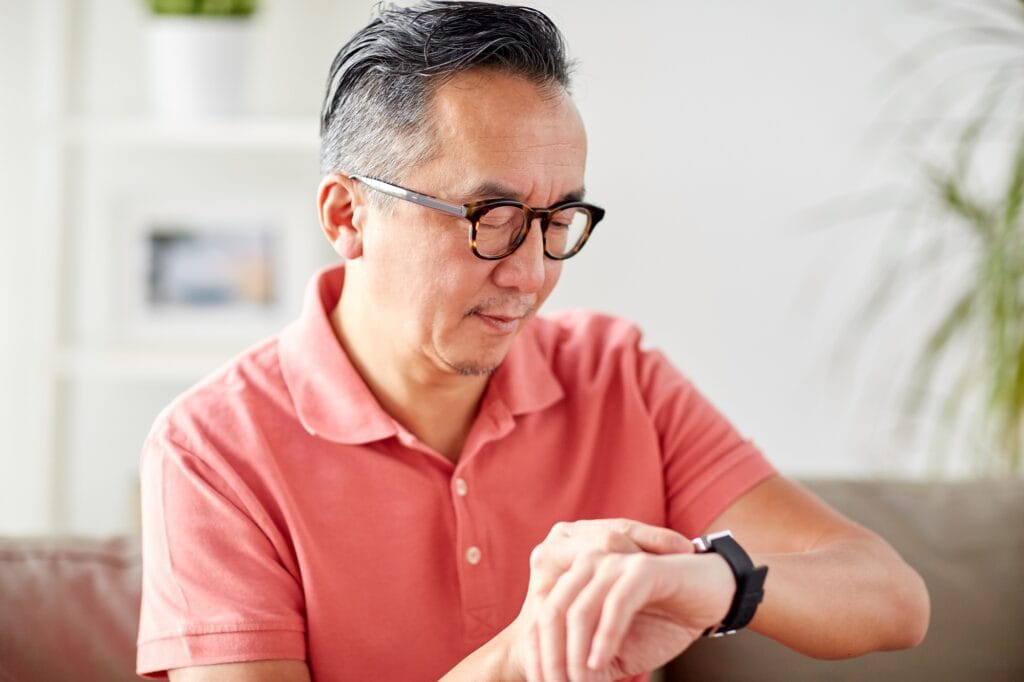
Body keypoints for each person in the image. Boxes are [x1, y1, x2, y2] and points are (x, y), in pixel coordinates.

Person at [136, 2, 930, 680]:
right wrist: (523, 653)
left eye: (557, 223)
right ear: (348, 216)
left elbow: (892, 597)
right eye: (492, 219)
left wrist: (714, 581)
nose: (531, 274)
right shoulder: (212, 451)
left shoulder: (618, 375)